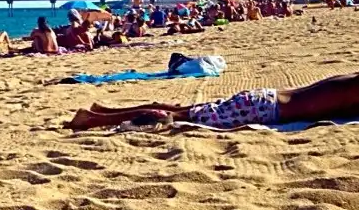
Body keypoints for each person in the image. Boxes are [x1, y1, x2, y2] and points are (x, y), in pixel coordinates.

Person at [64, 72, 359, 130]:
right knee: (175, 118)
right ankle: (94, 120)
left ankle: (103, 110)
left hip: (262, 98)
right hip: (263, 109)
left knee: (183, 110)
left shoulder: (349, 79)